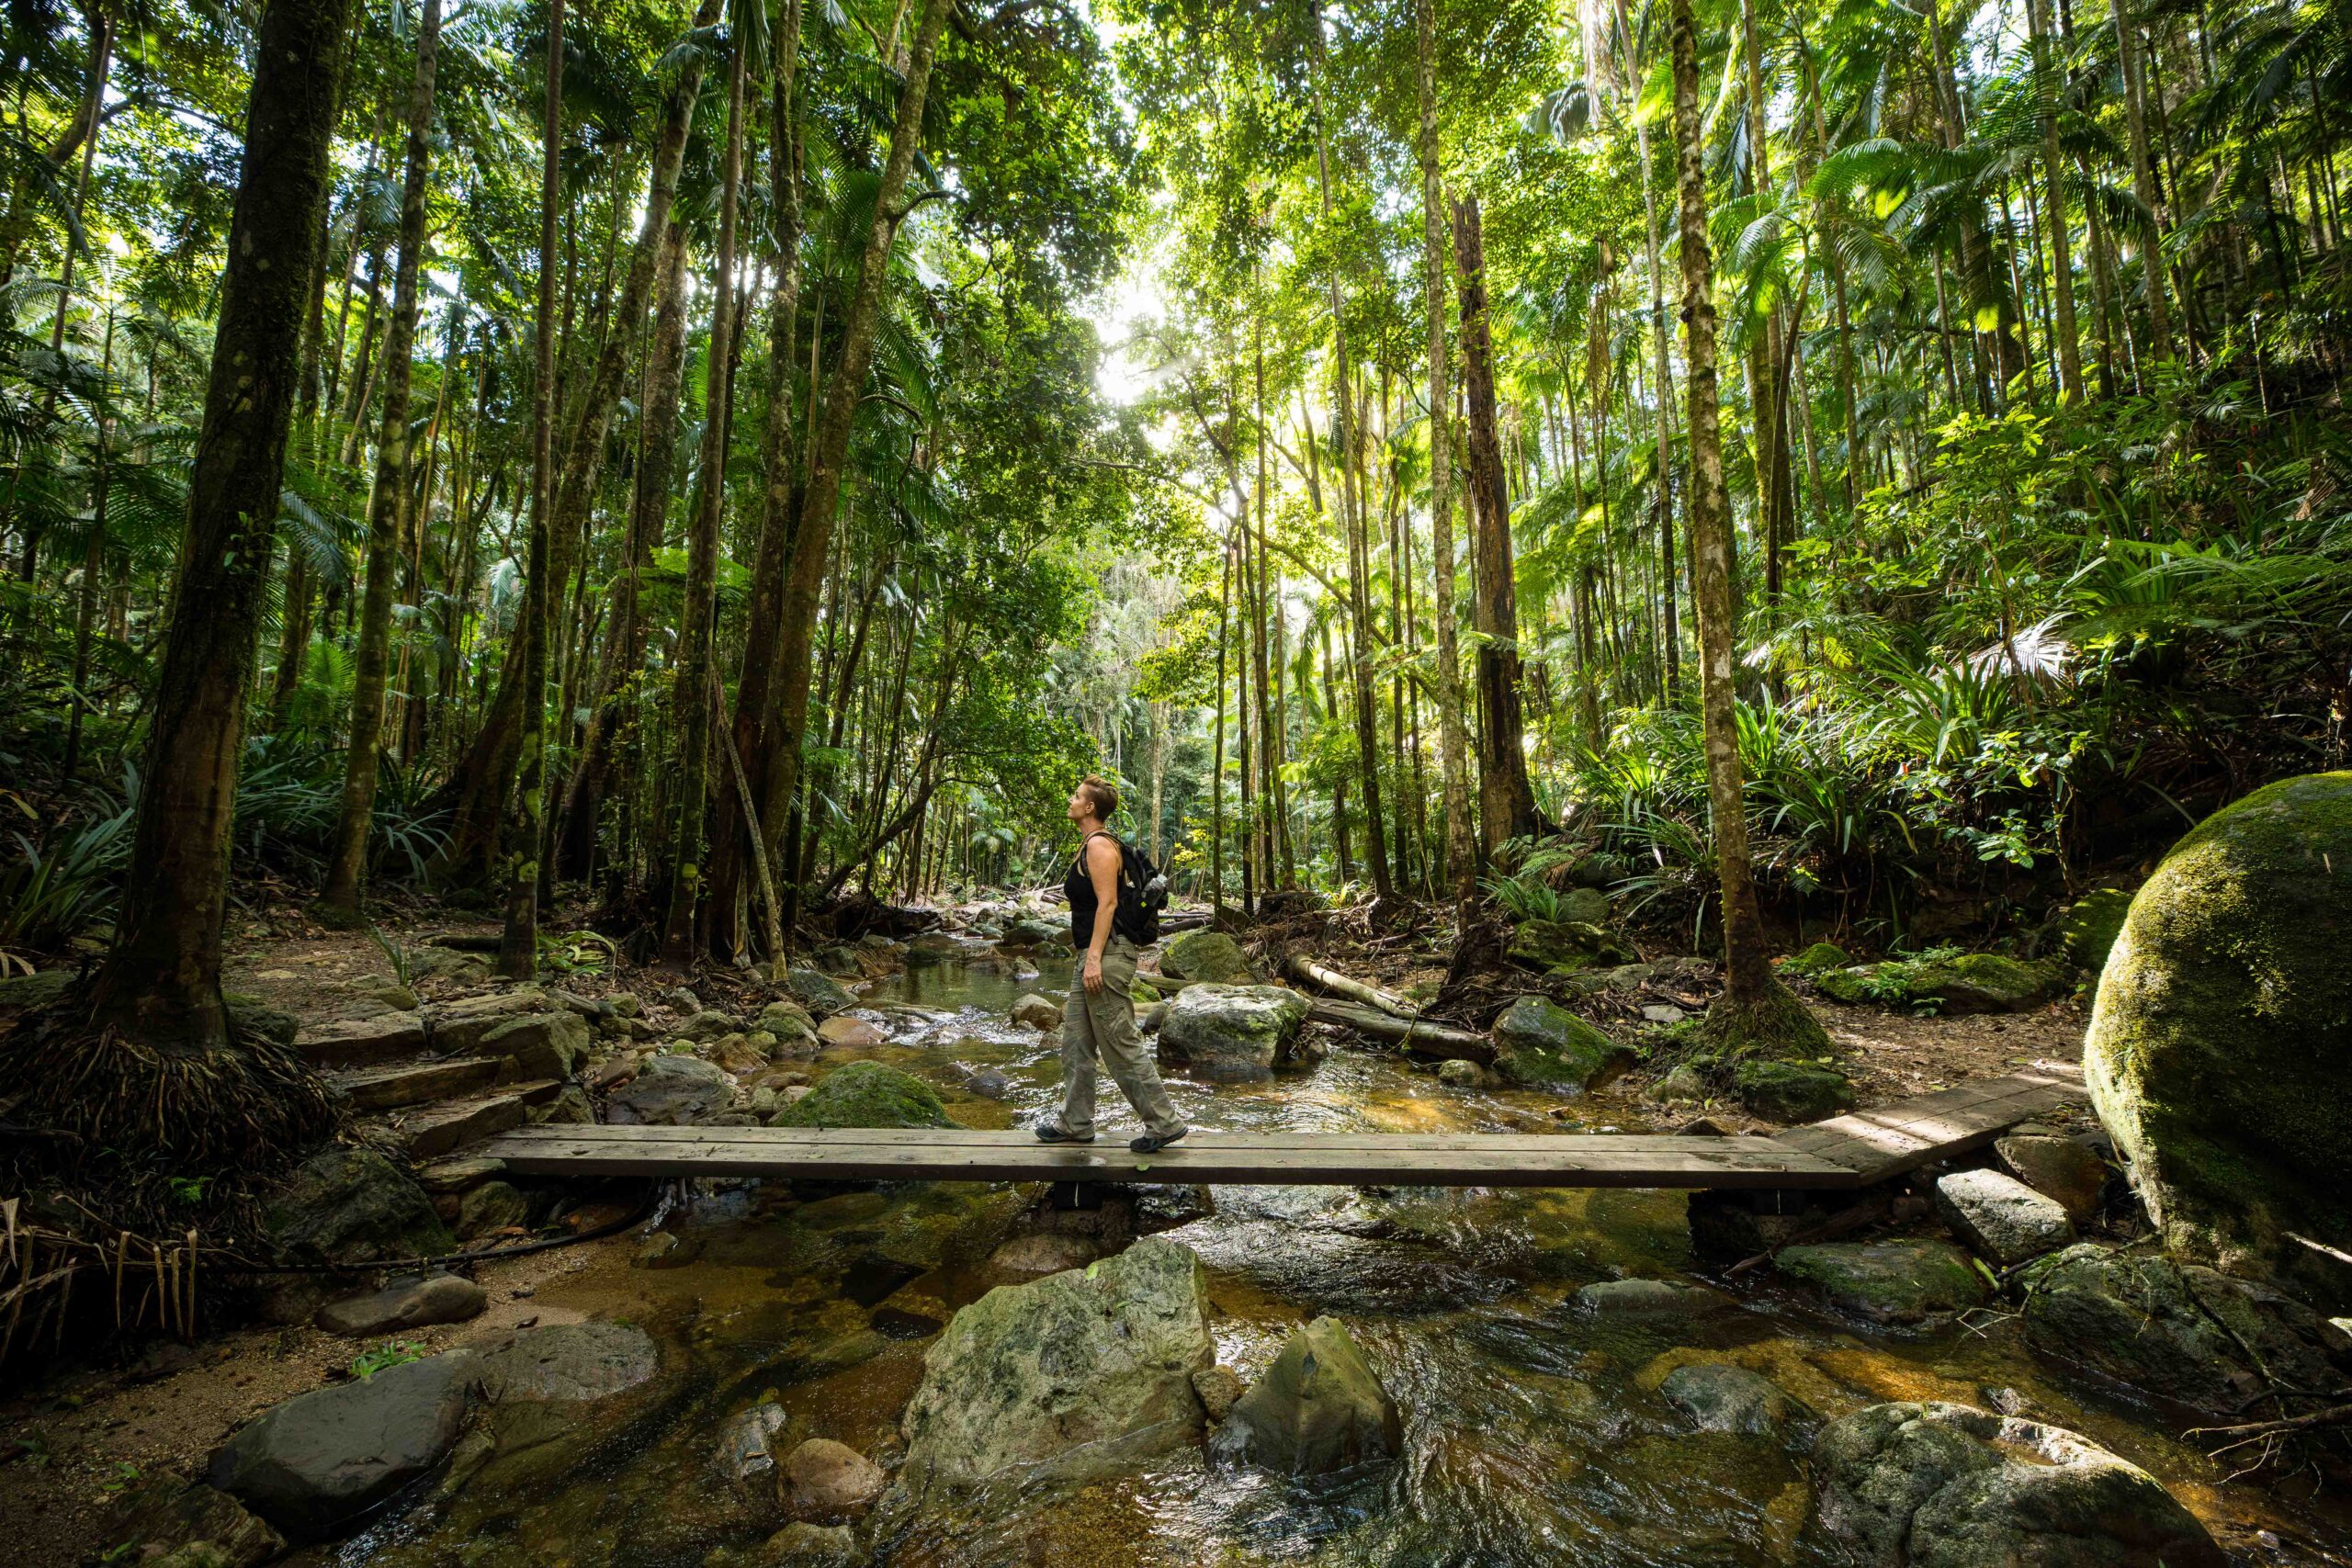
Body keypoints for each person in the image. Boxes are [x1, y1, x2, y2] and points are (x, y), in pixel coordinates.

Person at [1034, 774, 1188, 1154]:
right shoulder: (1091, 844)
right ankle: (1075, 1122)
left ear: (1089, 808)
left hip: (1105, 955)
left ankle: (1164, 1123)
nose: (1070, 801)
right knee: (1075, 1042)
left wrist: (1094, 961)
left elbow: (1108, 905)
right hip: (1092, 954)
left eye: (1076, 796)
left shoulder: (1100, 847)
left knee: (1119, 1042)